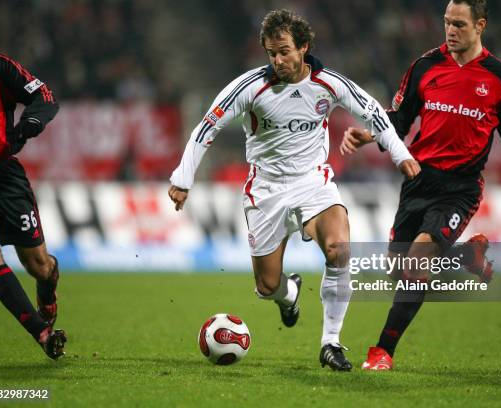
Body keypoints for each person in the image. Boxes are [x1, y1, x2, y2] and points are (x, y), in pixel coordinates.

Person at [169, 9, 420, 371]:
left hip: (313, 183)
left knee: (338, 249)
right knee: (267, 286)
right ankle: (289, 295)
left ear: (303, 47)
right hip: (266, 191)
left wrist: (400, 154)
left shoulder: (329, 84)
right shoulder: (250, 87)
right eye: (271, 53)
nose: (278, 60)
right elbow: (206, 128)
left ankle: (331, 342)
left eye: (284, 51)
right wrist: (183, 178)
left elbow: (373, 114)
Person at [340, 0, 501, 370]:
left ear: (480, 25)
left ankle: (382, 351)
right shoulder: (425, 66)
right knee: (396, 268)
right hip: (418, 180)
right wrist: (370, 134)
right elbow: (400, 119)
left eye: (459, 24)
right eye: (446, 23)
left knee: (419, 256)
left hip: (460, 188)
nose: (450, 31)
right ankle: (467, 256)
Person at [0, 5, 66, 359]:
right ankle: (41, 333)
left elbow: (43, 97)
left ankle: (47, 293)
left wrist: (29, 125)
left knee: (40, 266)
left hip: (4, 178)